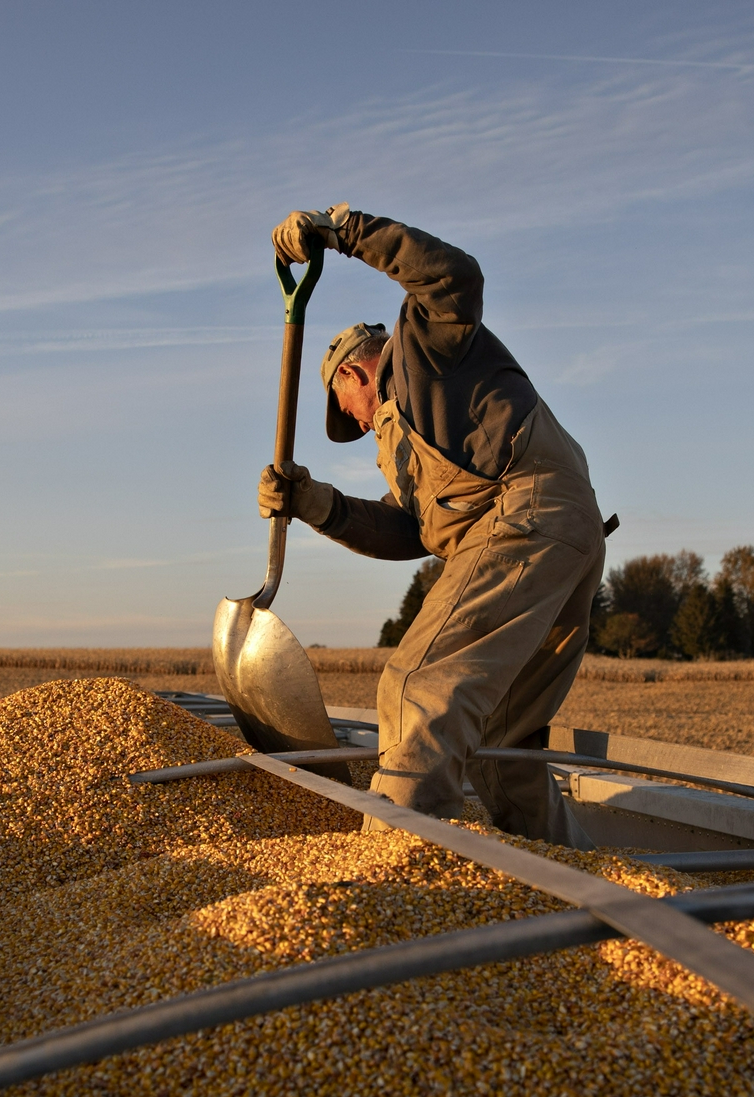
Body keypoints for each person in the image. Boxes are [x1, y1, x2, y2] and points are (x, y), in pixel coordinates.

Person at [261, 204, 613, 848]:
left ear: (352, 372)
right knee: (503, 744)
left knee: (418, 684)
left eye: (349, 412)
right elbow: (413, 533)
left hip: (525, 515)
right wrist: (314, 504)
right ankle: (577, 881)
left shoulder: (424, 351)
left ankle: (397, 864)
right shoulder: (410, 437)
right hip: (560, 534)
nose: (360, 425)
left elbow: (455, 277)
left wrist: (344, 232)